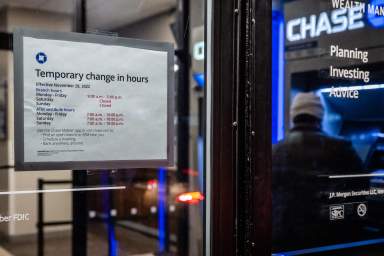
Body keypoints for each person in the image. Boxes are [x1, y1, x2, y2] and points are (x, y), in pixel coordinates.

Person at [272, 92, 365, 251]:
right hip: (327, 238)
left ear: (293, 116)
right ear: (320, 117)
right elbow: (361, 185)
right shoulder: (342, 147)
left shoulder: (274, 151)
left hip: (283, 238)